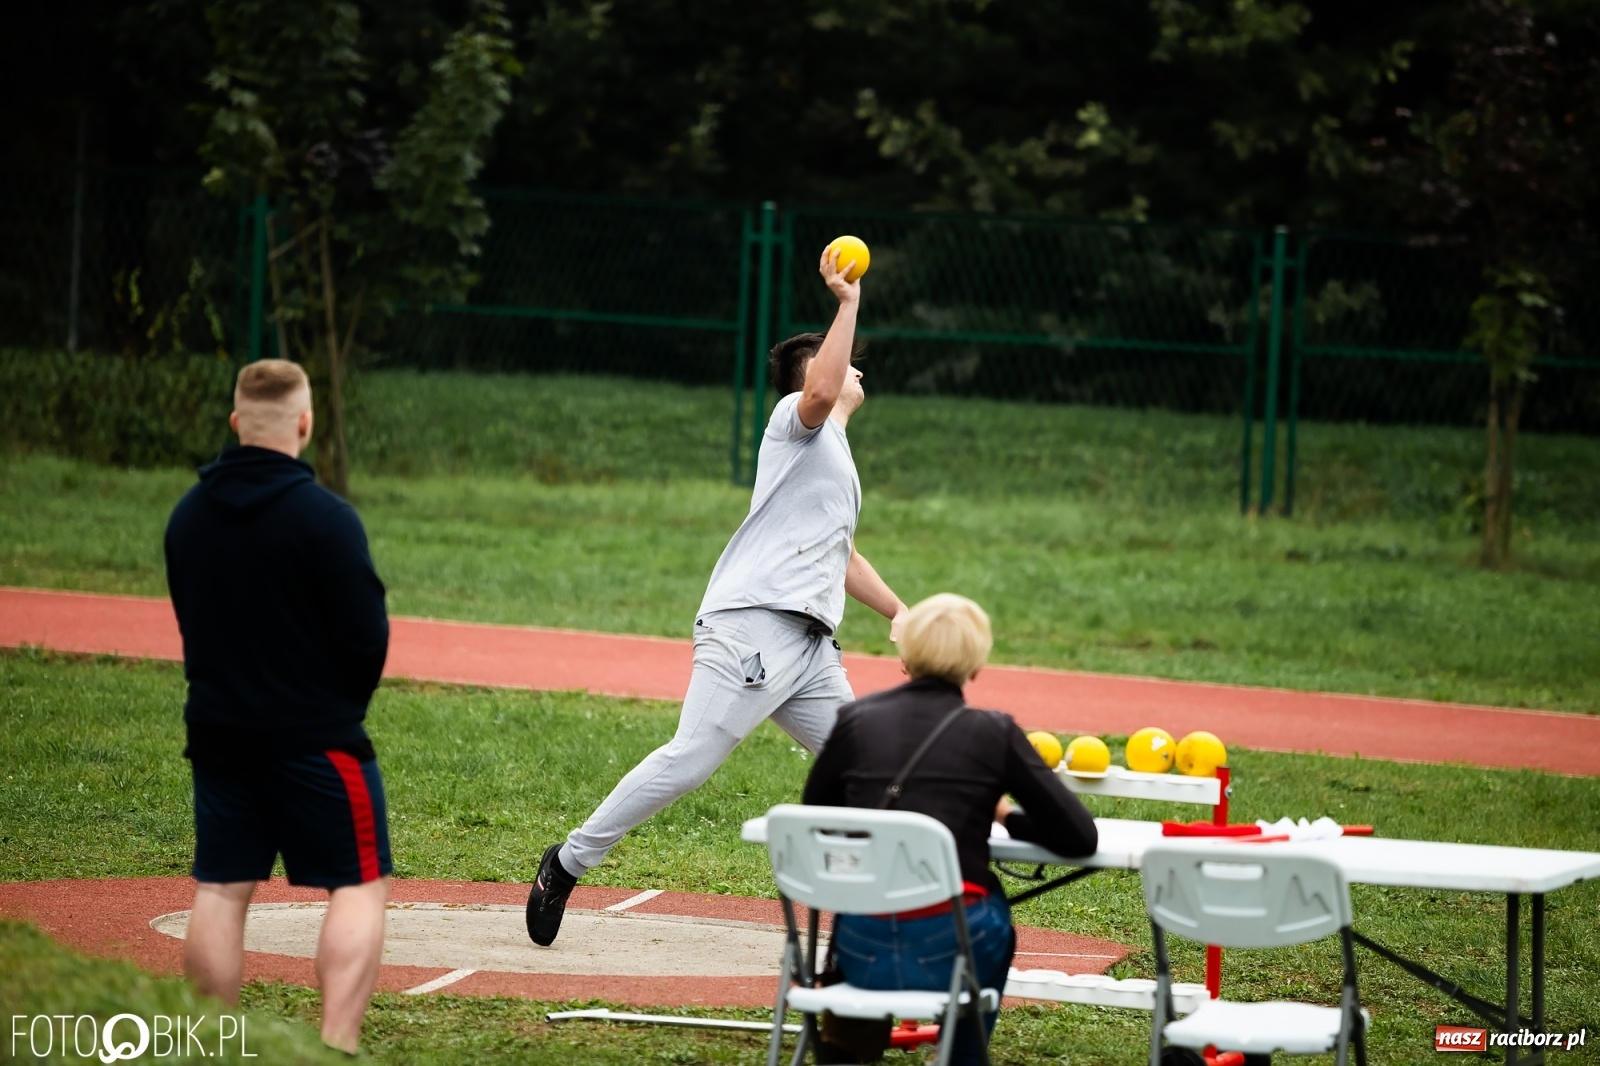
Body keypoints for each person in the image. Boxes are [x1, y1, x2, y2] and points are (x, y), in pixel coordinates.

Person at [527, 244, 910, 946]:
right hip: (755, 625)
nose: (858, 367)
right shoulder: (796, 420)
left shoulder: (836, 458)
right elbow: (823, 390)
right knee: (691, 760)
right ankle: (569, 861)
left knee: (869, 770)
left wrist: (900, 612)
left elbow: (840, 555)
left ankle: (873, 915)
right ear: (809, 375)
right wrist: (847, 303)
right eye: (843, 357)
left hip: (811, 646)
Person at [164, 359, 392, 1054]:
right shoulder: (326, 519)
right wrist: (338, 709)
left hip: (220, 736)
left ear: (235, 425)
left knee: (222, 889)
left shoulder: (187, 518)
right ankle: (335, 1044)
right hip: (317, 740)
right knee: (357, 886)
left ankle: (211, 1042)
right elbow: (366, 636)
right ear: (305, 422)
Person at [801, 593, 1099, 1066]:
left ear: (906, 656)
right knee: (989, 908)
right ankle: (961, 1056)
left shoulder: (854, 721)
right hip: (957, 942)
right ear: (975, 665)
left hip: (862, 939)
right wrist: (1003, 815)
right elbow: (1080, 837)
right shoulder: (993, 732)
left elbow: (814, 822)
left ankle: (847, 1054)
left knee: (869, 897)